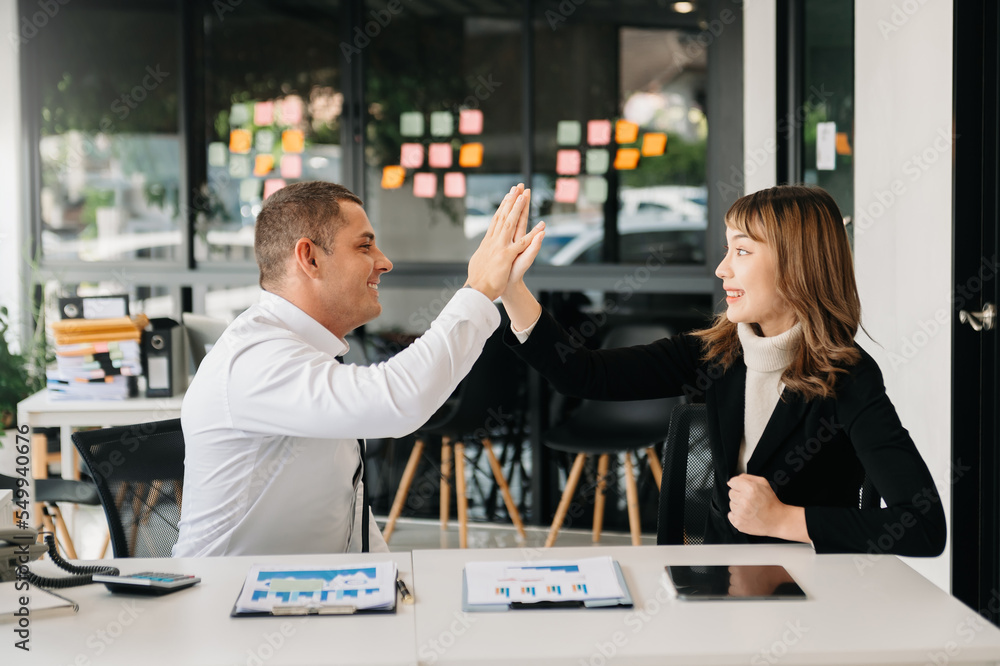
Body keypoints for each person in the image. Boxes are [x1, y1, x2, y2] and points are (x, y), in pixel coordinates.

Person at [501, 185, 946, 555]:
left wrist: (783, 519)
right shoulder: (716, 354)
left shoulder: (847, 376)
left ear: (796, 267)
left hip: (814, 594)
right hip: (722, 576)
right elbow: (582, 374)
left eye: (742, 251)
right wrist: (510, 289)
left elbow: (923, 526)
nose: (721, 268)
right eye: (726, 250)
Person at [173, 181, 544, 557]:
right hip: (222, 602)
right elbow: (399, 399)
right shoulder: (253, 359)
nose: (384, 262)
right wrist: (479, 289)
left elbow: (345, 514)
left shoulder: (306, 352)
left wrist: (390, 582)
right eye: (364, 246)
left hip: (295, 596)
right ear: (310, 258)